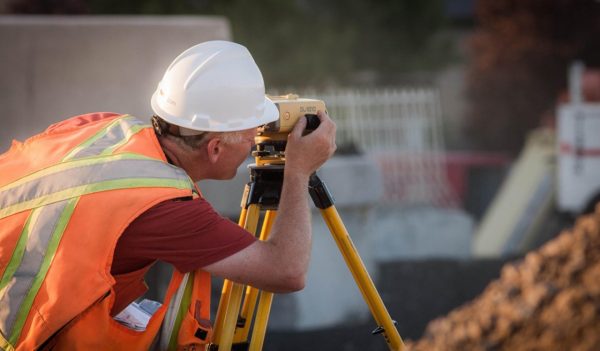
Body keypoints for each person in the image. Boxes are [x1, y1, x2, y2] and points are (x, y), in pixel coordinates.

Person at [0, 40, 336, 350]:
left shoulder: (104, 127)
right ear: (215, 148)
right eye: (251, 134)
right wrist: (297, 171)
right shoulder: (165, 207)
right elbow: (287, 270)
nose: (256, 140)